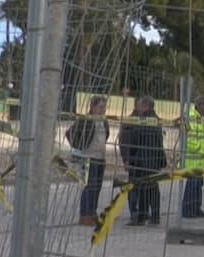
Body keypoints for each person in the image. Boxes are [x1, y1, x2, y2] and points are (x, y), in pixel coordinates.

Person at [119, 95, 166, 225]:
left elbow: (135, 139)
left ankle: (141, 216)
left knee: (141, 188)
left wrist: (127, 127)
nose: (137, 108)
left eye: (139, 105)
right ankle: (155, 215)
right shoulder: (156, 120)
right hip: (153, 160)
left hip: (142, 160)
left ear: (146, 106)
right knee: (152, 188)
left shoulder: (144, 121)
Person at [67, 95, 108, 226]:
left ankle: (92, 213)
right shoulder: (86, 120)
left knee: (97, 187)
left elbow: (105, 136)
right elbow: (70, 133)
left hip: (101, 158)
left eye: (104, 107)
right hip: (89, 158)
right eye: (101, 107)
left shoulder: (104, 121)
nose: (103, 110)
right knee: (88, 187)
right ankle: (85, 214)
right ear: (93, 107)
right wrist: (79, 147)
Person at [181, 94, 204, 218]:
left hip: (200, 160)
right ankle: (188, 210)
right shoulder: (190, 117)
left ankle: (196, 208)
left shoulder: (201, 118)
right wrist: (197, 149)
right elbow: (186, 137)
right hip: (192, 159)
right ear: (199, 105)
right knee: (192, 186)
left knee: (198, 186)